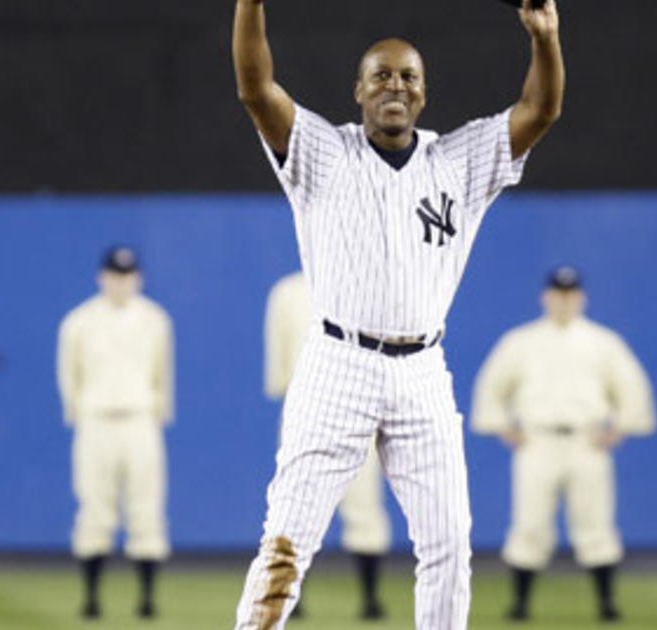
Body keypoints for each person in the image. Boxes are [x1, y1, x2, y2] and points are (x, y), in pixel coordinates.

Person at [230, 0, 564, 627]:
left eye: (408, 76)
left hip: (421, 373)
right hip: (338, 365)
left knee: (447, 547)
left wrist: (545, 37)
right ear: (357, 90)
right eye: (381, 75)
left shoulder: (459, 162)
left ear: (424, 94)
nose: (395, 85)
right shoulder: (323, 153)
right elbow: (256, 88)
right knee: (287, 542)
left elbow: (540, 110)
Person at [472, 266, 657, 623]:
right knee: (530, 524)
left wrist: (619, 428)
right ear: (546, 297)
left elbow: (631, 388)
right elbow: (492, 387)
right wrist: (503, 427)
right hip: (537, 441)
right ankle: (520, 604)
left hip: (586, 442)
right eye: (558, 294)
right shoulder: (521, 341)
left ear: (581, 298)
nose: (564, 301)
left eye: (570, 294)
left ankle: (606, 602)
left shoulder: (602, 342)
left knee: (595, 523)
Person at [56, 245, 174, 620]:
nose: (121, 283)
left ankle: (147, 598)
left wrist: (158, 412)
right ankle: (91, 598)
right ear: (102, 277)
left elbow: (162, 373)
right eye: (114, 275)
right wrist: (76, 411)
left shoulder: (155, 320)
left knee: (146, 508)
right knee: (94, 508)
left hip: (140, 419)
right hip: (96, 421)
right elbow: (68, 374)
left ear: (137, 278)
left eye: (128, 275)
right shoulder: (79, 321)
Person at [264, 271, 390, 620]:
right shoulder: (287, 292)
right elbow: (278, 358)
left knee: (364, 507)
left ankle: (370, 598)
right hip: (305, 409)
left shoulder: (367, 284)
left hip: (359, 407)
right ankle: (289, 597)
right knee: (297, 507)